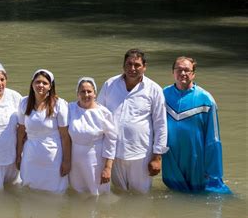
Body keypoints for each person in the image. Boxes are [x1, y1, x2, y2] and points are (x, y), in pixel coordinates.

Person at [97, 49, 168, 193]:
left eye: (137, 65)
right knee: (118, 193)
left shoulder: (154, 89)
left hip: (141, 154)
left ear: (144, 67)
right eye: (129, 64)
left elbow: (160, 123)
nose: (132, 69)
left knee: (140, 196)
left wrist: (157, 157)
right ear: (123, 66)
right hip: (113, 153)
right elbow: (98, 115)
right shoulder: (110, 84)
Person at [162, 56, 231, 194]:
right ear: (173, 72)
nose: (183, 73)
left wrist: (213, 171)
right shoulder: (162, 95)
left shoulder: (206, 99)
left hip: (196, 157)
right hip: (171, 157)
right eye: (179, 70)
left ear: (193, 74)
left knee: (199, 195)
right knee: (174, 195)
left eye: (187, 70)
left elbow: (214, 137)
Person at [16, 69, 71, 194]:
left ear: (50, 86)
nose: (41, 85)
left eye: (45, 83)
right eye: (38, 82)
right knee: (29, 193)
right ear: (32, 84)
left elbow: (65, 136)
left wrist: (67, 161)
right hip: (30, 156)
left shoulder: (59, 105)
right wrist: (18, 155)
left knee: (54, 194)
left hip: (53, 157)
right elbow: (20, 132)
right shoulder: (24, 103)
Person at [68, 77, 117, 195]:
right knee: (77, 193)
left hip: (96, 160)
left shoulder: (103, 113)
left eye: (89, 91)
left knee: (97, 194)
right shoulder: (70, 109)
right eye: (82, 91)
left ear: (95, 93)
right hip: (75, 160)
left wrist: (108, 168)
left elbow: (111, 141)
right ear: (77, 94)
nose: (86, 94)